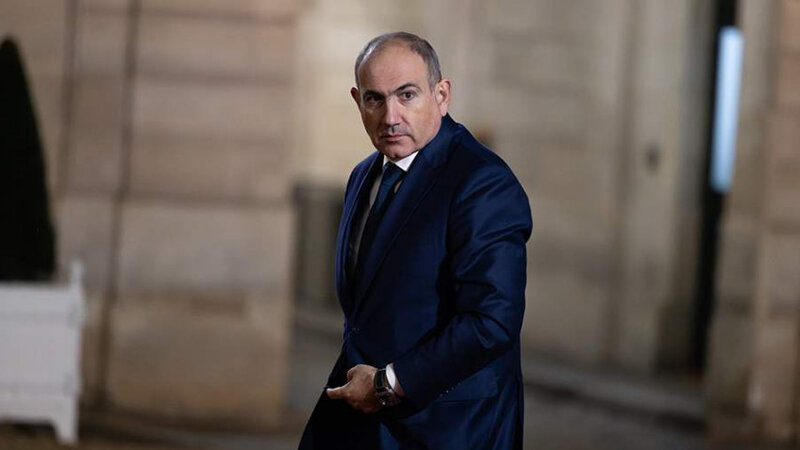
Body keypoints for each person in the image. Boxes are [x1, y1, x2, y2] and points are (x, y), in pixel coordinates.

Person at [299, 31, 532, 449]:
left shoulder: (482, 182)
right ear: (358, 102)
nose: (390, 116)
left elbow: (492, 321)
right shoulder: (364, 175)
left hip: (450, 429)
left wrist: (386, 384)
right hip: (364, 426)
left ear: (441, 95)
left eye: (407, 95)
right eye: (375, 99)